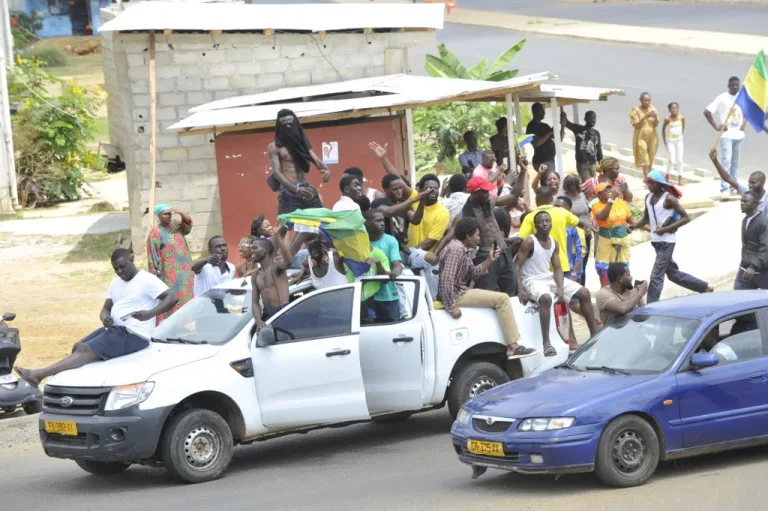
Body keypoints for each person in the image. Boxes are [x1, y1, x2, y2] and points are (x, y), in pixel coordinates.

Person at [15, 249, 177, 387]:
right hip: (115, 330)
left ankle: (38, 375)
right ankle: (72, 387)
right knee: (78, 346)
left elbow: (171, 297)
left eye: (122, 267)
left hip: (134, 334)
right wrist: (105, 317)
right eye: (116, 269)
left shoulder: (146, 279)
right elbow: (106, 308)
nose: (120, 272)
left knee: (86, 350)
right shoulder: (116, 283)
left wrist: (150, 313)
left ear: (131, 260)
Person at [438, 217, 537, 360]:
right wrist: (451, 306)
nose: (479, 239)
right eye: (477, 235)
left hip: (461, 291)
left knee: (500, 296)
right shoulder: (456, 249)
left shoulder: (462, 249)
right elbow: (447, 279)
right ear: (468, 236)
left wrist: (490, 259)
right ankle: (513, 346)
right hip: (456, 294)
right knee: (502, 299)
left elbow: (473, 273)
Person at [516, 211, 598, 357]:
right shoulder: (530, 242)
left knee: (584, 293)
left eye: (547, 221)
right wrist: (520, 289)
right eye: (541, 222)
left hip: (547, 276)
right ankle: (546, 343)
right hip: (531, 278)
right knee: (546, 298)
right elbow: (515, 266)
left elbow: (558, 269)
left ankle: (595, 336)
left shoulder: (554, 242)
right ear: (535, 225)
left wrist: (560, 288)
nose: (545, 224)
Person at [438, 167, 528, 296]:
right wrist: (436, 255)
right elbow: (449, 235)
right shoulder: (465, 214)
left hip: (504, 253)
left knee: (510, 294)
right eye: (484, 192)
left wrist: (523, 172)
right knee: (490, 295)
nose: (487, 194)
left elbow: (513, 196)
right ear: (474, 194)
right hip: (485, 257)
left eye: (487, 191)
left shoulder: (489, 202)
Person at [633, 170, 712, 302]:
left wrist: (665, 229)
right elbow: (646, 219)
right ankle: (704, 288)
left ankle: (652, 307)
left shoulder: (669, 198)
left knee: (656, 276)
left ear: (659, 184)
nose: (649, 185)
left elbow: (686, 218)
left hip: (667, 242)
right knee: (673, 274)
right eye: (647, 183)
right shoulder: (648, 198)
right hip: (656, 242)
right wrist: (634, 226)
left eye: (651, 183)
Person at [268, 109, 331, 216]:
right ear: (279, 126)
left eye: (290, 123)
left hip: (305, 187)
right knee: (283, 226)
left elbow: (315, 159)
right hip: (289, 190)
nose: (288, 126)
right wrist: (295, 189)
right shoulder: (274, 147)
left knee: (320, 220)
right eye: (284, 124)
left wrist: (327, 170)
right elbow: (276, 173)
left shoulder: (301, 142)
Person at [517, 187, 585, 277]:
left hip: (540, 267)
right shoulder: (563, 212)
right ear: (552, 199)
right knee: (562, 289)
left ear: (536, 199)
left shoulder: (530, 217)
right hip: (562, 264)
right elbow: (581, 224)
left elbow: (520, 239)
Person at [146, 203, 194, 323]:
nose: (168, 216)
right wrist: (155, 275)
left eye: (169, 213)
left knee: (187, 297)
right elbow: (152, 256)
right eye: (165, 214)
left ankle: (187, 322)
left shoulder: (176, 226)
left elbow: (188, 225)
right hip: (170, 274)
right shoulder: (155, 233)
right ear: (159, 216)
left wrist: (181, 212)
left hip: (185, 272)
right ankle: (173, 324)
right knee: (173, 299)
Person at [406, 174, 450, 298]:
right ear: (420, 190)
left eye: (435, 187)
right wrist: (383, 158)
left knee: (429, 297)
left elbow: (430, 241)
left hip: (424, 258)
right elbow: (398, 180)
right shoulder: (415, 199)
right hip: (408, 252)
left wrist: (410, 253)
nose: (432, 190)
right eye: (428, 187)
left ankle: (434, 300)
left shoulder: (443, 212)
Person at [704, 77, 746, 199]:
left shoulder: (741, 98)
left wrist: (744, 123)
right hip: (727, 135)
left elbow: (748, 112)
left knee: (736, 163)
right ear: (728, 86)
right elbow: (707, 112)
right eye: (732, 85)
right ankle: (725, 188)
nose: (735, 87)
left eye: (737, 85)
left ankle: (735, 187)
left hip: (739, 136)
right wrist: (716, 126)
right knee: (726, 161)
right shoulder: (722, 98)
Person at [251, 221, 294, 330]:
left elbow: (289, 261)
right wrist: (258, 320)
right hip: (267, 315)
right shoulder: (255, 274)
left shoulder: (276, 266)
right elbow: (255, 301)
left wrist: (277, 237)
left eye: (255, 248)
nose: (252, 251)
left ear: (265, 250)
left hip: (283, 312)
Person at [591, 183, 635, 286]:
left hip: (621, 241)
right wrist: (611, 199)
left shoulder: (621, 203)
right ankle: (606, 293)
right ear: (599, 195)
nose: (610, 192)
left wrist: (644, 227)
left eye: (610, 189)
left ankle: (622, 292)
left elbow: (631, 220)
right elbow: (602, 217)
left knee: (622, 269)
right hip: (605, 242)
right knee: (604, 268)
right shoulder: (596, 206)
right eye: (606, 191)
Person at [364, 209, 403, 321]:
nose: (382, 223)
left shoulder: (391, 240)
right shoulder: (362, 243)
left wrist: (395, 273)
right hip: (369, 296)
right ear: (367, 223)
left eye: (383, 220)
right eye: (378, 221)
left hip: (389, 294)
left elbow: (397, 263)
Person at [709, 148, 768, 216]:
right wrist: (715, 161)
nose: (750, 185)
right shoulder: (748, 192)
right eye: (749, 182)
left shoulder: (766, 200)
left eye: (753, 183)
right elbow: (728, 179)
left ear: (762, 183)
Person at [562, 174, 593, 286]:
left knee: (583, 264)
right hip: (573, 237)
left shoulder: (582, 196)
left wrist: (591, 225)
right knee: (575, 264)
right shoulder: (564, 199)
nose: (575, 189)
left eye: (577, 185)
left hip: (586, 234)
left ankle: (582, 287)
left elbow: (587, 212)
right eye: (572, 186)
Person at [735, 190, 768, 290]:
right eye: (741, 201)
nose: (742, 203)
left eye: (745, 201)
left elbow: (765, 248)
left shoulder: (763, 222)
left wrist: (754, 267)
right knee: (738, 299)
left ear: (755, 204)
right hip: (745, 269)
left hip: (760, 272)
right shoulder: (745, 220)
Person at [561, 109, 603, 181]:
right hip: (582, 164)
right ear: (585, 119)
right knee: (588, 184)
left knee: (593, 183)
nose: (593, 120)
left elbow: (599, 151)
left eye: (594, 118)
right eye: (590, 117)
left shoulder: (596, 133)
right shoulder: (578, 129)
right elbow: (567, 123)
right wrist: (562, 113)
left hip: (593, 164)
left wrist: (602, 166)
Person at [555, 196, 586, 283]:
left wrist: (574, 273)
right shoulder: (552, 224)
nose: (556, 209)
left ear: (568, 209)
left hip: (570, 272)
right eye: (555, 206)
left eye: (559, 207)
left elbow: (581, 250)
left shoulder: (576, 226)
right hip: (554, 269)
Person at [630, 92, 659, 178]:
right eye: (645, 100)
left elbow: (656, 124)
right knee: (644, 158)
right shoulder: (636, 111)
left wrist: (656, 117)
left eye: (649, 100)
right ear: (641, 100)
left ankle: (648, 177)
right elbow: (636, 125)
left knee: (651, 158)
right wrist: (646, 116)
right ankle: (646, 177)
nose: (647, 102)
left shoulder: (653, 109)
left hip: (652, 137)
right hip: (641, 138)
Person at [527, 103, 557, 173]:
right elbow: (536, 143)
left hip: (550, 160)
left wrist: (563, 125)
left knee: (546, 182)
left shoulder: (545, 125)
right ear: (534, 111)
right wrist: (550, 133)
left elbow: (559, 139)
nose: (544, 112)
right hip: (542, 161)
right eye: (541, 110)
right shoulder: (531, 126)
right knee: (549, 182)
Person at [662, 102, 685, 186]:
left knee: (679, 160)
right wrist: (665, 142)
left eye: (676, 108)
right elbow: (663, 130)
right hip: (670, 141)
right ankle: (667, 176)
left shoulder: (681, 118)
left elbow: (683, 128)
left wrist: (680, 136)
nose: (674, 110)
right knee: (672, 159)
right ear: (669, 110)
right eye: (672, 108)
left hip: (679, 141)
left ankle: (680, 178)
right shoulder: (667, 119)